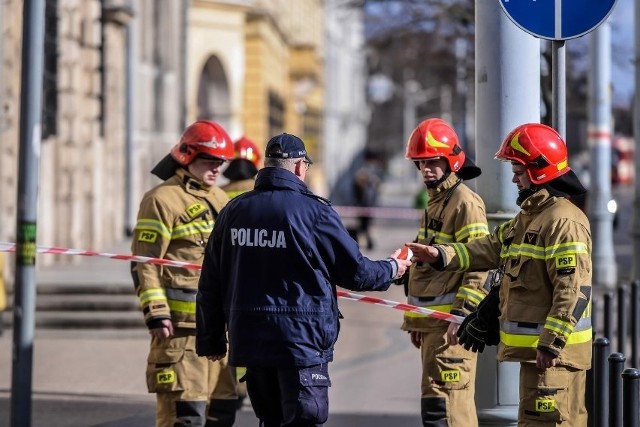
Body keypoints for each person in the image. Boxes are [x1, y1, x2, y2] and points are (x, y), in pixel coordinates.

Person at [195, 133, 411, 427]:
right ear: (298, 167)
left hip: (251, 341)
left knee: (269, 420)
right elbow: (357, 273)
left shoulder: (233, 211)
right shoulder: (315, 212)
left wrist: (211, 340)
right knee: (304, 420)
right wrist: (392, 267)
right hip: (301, 342)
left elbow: (210, 281)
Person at [407, 123, 592, 427]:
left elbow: (573, 289)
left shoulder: (563, 221)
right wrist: (440, 255)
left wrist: (551, 343)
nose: (513, 177)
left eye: (518, 171)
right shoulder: (530, 216)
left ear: (539, 170)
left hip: (556, 358)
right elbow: (489, 248)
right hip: (539, 355)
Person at [131, 120, 238, 427]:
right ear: (187, 155)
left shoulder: (222, 199)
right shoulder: (162, 199)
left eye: (221, 162)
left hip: (221, 332)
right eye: (209, 161)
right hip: (181, 334)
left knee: (222, 415)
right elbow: (144, 261)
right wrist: (156, 313)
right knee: (185, 418)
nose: (217, 169)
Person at [402, 118, 489, 427]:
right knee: (436, 405)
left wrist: (461, 315)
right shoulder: (437, 202)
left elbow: (479, 263)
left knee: (449, 408)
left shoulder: (465, 203)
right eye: (420, 163)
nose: (426, 169)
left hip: (450, 328)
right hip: (434, 328)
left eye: (433, 162)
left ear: (451, 160)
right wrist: (417, 319)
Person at [352, 149, 383, 249]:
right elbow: (358, 184)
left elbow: (377, 187)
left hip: (369, 203)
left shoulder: (375, 171)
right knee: (363, 225)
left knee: (365, 225)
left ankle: (366, 242)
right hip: (364, 203)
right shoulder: (363, 170)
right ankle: (366, 242)